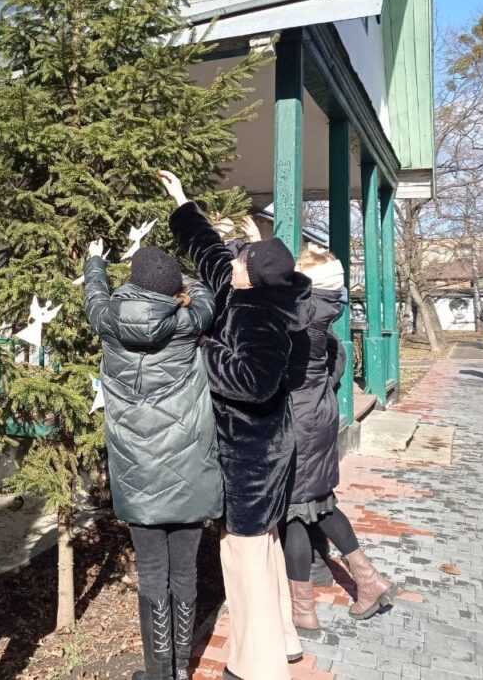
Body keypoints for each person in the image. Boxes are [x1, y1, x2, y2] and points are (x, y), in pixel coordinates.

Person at [161, 170, 310, 680]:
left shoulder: (261, 317)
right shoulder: (245, 291)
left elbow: (254, 381)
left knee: (243, 557)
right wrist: (182, 202)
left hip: (252, 455)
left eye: (241, 258)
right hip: (262, 448)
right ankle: (284, 639)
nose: (233, 259)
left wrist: (201, 351)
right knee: (263, 545)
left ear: (254, 276)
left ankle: (255, 665)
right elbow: (209, 253)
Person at [83, 240, 223, 680]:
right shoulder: (189, 322)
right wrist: (186, 284)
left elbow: (93, 293)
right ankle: (181, 669)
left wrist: (95, 259)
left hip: (136, 471)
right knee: (185, 571)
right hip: (189, 469)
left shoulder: (107, 320)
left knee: (152, 572)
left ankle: (158, 671)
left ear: (133, 283)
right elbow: (206, 295)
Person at [282, 250, 395, 636]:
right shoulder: (328, 312)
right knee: (321, 501)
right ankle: (368, 578)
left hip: (298, 419)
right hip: (321, 415)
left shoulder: (300, 315)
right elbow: (335, 367)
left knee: (293, 512)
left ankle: (303, 611)